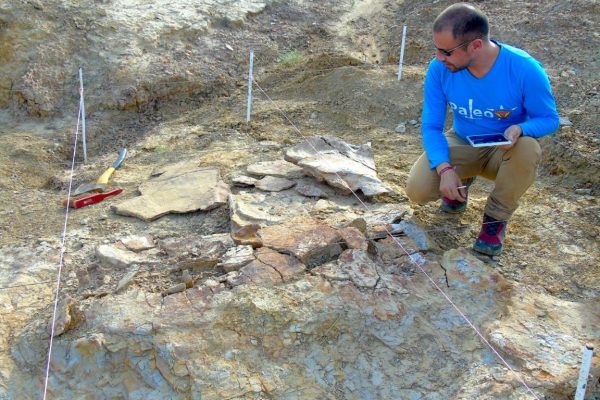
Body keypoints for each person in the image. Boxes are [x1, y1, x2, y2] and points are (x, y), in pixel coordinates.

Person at [405, 2, 559, 256]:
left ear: (475, 45)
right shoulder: (439, 70)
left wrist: (520, 129)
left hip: (504, 150)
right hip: (463, 141)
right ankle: (460, 180)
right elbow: (431, 126)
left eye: (446, 52)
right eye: (437, 50)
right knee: (417, 190)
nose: (439, 58)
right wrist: (445, 169)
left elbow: (549, 119)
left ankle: (494, 222)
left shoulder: (524, 68)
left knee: (529, 148)